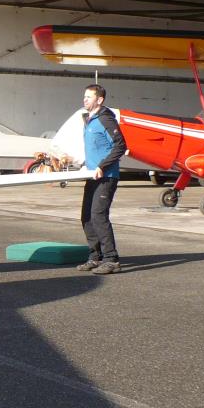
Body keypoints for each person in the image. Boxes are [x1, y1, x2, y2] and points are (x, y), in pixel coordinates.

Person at [76, 84, 127, 274]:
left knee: (98, 216)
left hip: (107, 176)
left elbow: (120, 146)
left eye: (89, 97)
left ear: (99, 100)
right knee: (86, 217)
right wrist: (84, 164)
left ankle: (111, 260)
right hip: (92, 175)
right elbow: (96, 148)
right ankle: (95, 257)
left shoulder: (106, 119)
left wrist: (102, 166)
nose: (85, 99)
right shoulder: (89, 120)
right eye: (84, 96)